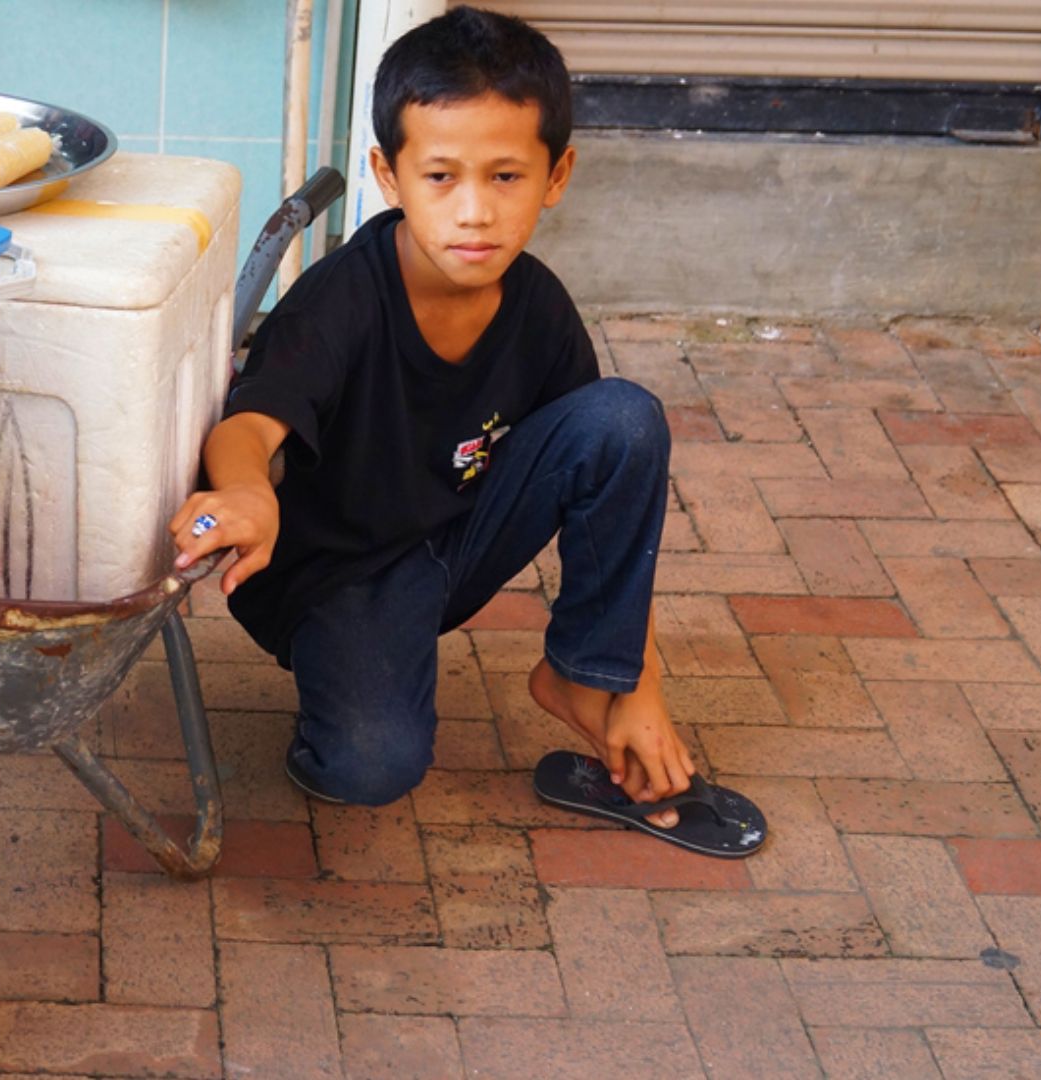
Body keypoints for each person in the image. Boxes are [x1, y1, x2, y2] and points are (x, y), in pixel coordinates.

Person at [169, 6, 697, 827]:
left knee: (622, 421)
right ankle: (344, 699)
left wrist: (637, 687)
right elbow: (250, 424)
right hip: (338, 576)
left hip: (455, 540)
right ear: (389, 175)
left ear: (556, 176)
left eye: (507, 177)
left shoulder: (540, 309)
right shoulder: (342, 299)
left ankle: (584, 678)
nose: (476, 212)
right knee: (371, 766)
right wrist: (247, 491)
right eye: (442, 176)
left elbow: (615, 506)